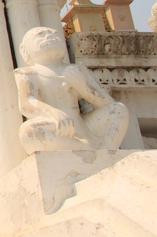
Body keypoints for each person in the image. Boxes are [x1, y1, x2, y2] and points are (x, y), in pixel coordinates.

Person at [14, 26, 129, 154]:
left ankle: (107, 150)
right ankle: (81, 146)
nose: (50, 36)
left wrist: (82, 87)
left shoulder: (77, 69)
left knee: (118, 109)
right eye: (40, 34)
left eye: (55, 33)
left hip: (83, 123)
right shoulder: (28, 73)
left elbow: (107, 103)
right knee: (28, 132)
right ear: (24, 50)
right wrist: (53, 112)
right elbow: (26, 103)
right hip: (55, 124)